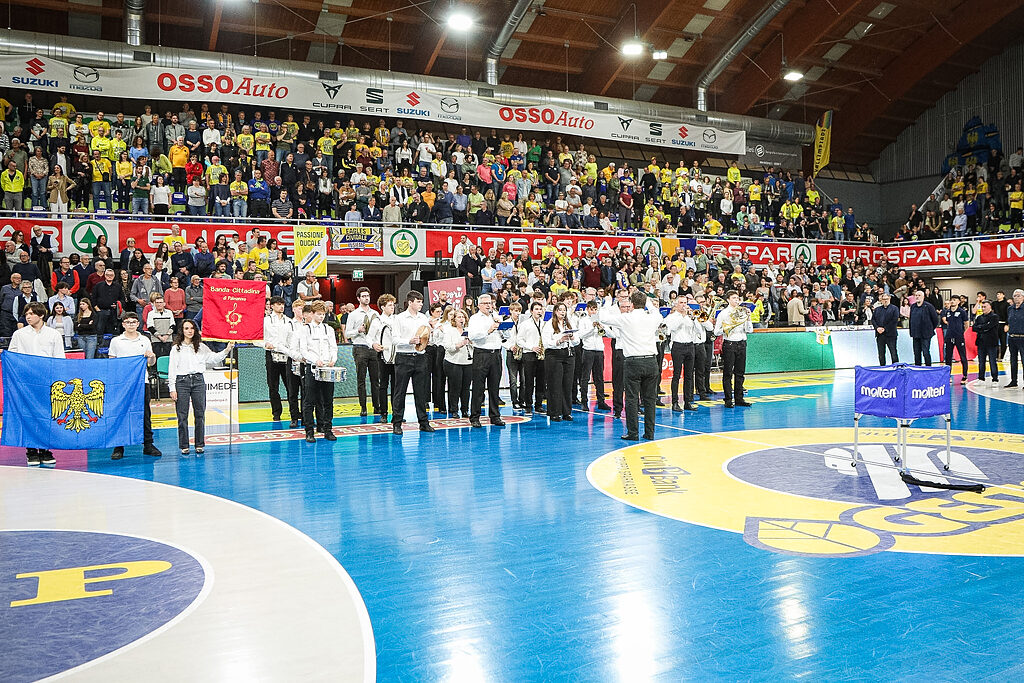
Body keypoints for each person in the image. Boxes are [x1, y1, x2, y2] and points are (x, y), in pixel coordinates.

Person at [599, 291, 663, 441]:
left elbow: (603, 318)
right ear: (644, 303)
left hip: (633, 362)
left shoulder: (625, 318)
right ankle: (649, 433)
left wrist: (607, 302)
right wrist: (648, 303)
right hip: (651, 361)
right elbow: (657, 313)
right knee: (650, 399)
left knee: (632, 398)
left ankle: (633, 433)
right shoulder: (652, 317)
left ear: (631, 304)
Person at [8, 302, 64, 466]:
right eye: (26, 314)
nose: (28, 317)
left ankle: (45, 449)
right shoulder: (19, 334)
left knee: (46, 415)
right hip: (26, 381)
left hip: (47, 380)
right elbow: (13, 356)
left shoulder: (53, 334)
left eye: (31, 314)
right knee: (28, 415)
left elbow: (59, 358)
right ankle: (31, 450)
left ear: (41, 315)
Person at [168, 319, 233, 454]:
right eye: (186, 328)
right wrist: (172, 388)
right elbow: (172, 369)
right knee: (182, 415)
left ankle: (199, 444)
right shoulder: (176, 348)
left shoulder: (201, 347)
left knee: (200, 414)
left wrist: (227, 350)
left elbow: (214, 358)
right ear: (182, 331)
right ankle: (184, 445)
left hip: (198, 381)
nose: (189, 331)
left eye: (192, 328)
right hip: (182, 382)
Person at [107, 312, 163, 460]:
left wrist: (151, 356)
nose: (131, 324)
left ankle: (148, 444)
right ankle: (118, 446)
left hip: (141, 382)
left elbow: (151, 363)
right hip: (122, 384)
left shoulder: (144, 340)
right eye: (128, 322)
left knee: (145, 413)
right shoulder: (116, 341)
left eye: (133, 322)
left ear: (138, 324)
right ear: (123, 324)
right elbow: (112, 363)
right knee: (121, 414)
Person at [389, 291, 434, 435]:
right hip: (404, 357)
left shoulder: (423, 318)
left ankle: (423, 422)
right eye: (418, 301)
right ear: (410, 302)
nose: (421, 304)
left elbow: (426, 336)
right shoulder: (399, 318)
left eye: (421, 301)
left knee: (421, 392)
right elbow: (394, 339)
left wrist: (430, 335)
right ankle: (397, 423)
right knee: (400, 391)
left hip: (420, 357)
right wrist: (408, 341)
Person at [296, 301, 338, 443]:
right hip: (312, 368)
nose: (321, 317)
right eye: (319, 314)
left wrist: (333, 359)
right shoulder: (305, 329)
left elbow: (333, 347)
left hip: (327, 368)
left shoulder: (328, 329)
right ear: (312, 314)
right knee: (309, 401)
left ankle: (328, 429)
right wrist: (315, 360)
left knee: (328, 400)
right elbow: (303, 350)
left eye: (323, 314)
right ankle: (309, 431)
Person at [467, 292, 507, 427]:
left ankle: (495, 416)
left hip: (496, 354)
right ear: (479, 305)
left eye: (490, 303)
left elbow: (505, 336)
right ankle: (475, 417)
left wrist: (504, 327)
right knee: (478, 387)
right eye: (485, 303)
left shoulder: (495, 316)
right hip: (482, 354)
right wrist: (488, 330)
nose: (489, 306)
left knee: (494, 387)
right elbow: (472, 336)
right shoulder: (475, 318)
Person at [264, 296, 300, 427]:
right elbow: (258, 337)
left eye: (282, 304)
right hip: (272, 354)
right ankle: (276, 412)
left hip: (287, 355)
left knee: (291, 386)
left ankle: (294, 413)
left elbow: (292, 339)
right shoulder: (266, 320)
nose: (281, 306)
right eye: (278, 304)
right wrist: (265, 344)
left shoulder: (289, 321)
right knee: (273, 386)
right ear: (272, 306)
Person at [345, 287, 381, 418]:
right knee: (361, 379)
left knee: (375, 380)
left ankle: (377, 406)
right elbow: (347, 333)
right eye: (364, 296)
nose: (366, 298)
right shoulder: (353, 314)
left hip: (373, 348)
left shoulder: (375, 314)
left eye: (368, 296)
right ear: (358, 298)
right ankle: (363, 407)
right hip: (360, 347)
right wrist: (358, 330)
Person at [714, 291, 754, 408]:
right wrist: (728, 327)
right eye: (734, 298)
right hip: (730, 344)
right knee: (727, 373)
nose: (736, 300)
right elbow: (716, 332)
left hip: (742, 343)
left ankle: (739, 398)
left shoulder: (742, 312)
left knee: (740, 373)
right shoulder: (723, 313)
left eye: (737, 298)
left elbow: (749, 330)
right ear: (728, 300)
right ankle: (728, 399)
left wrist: (748, 317)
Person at [540, 301, 576, 422]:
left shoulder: (569, 324)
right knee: (555, 384)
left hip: (568, 354)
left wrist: (572, 337)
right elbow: (546, 343)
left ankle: (567, 412)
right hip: (554, 355)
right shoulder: (549, 324)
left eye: (564, 310)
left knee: (567, 384)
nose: (562, 312)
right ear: (555, 311)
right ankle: (554, 412)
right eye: (560, 310)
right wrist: (560, 340)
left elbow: (577, 341)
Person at [664, 298, 701, 412]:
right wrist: (683, 316)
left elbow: (698, 331)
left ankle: (688, 401)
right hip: (678, 346)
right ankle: (675, 402)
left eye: (685, 303)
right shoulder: (671, 317)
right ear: (676, 304)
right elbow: (671, 329)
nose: (684, 305)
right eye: (681, 303)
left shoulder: (690, 317)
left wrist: (694, 319)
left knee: (689, 375)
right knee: (676, 375)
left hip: (690, 345)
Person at [578, 300, 611, 411]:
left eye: (595, 309)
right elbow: (581, 335)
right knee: (585, 377)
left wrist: (602, 327)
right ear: (587, 309)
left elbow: (609, 334)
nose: (593, 311)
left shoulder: (600, 320)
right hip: (588, 350)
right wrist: (592, 328)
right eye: (591, 309)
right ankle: (584, 401)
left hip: (599, 351)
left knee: (599, 377)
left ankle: (601, 401)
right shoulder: (583, 320)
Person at [368, 294, 396, 423]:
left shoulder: (397, 320)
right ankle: (383, 413)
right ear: (383, 307)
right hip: (382, 355)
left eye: (393, 305)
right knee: (383, 384)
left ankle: (397, 412)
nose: (392, 307)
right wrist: (373, 344)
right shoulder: (377, 321)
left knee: (396, 385)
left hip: (396, 355)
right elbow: (369, 337)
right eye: (389, 305)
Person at [442, 308, 473, 418]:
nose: (461, 319)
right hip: (453, 361)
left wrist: (471, 342)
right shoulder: (449, 330)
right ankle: (453, 409)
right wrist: (459, 345)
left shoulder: (469, 330)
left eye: (463, 317)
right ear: (454, 319)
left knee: (466, 388)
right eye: (459, 317)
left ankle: (465, 410)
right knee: (455, 387)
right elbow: (447, 346)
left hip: (467, 362)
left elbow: (475, 345)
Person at [518, 301, 545, 415]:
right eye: (536, 309)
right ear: (531, 311)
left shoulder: (544, 323)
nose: (539, 311)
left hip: (541, 354)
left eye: (540, 309)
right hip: (529, 354)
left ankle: (539, 405)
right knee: (528, 381)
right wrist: (531, 347)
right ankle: (528, 405)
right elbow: (519, 340)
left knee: (541, 381)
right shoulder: (525, 324)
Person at [941, 297, 969, 383]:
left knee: (962, 356)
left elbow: (966, 323)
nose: (952, 301)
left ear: (958, 302)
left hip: (959, 337)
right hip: (949, 336)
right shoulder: (948, 312)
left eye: (954, 300)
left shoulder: (962, 312)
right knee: (948, 357)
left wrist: (961, 332)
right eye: (951, 300)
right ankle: (948, 376)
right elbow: (947, 322)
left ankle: (965, 376)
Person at [973, 300, 1001, 385]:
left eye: (985, 307)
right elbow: (974, 328)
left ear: (990, 307)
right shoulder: (979, 317)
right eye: (982, 307)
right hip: (981, 342)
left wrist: (980, 327)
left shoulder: (994, 317)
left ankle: (995, 379)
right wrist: (983, 327)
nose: (983, 308)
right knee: (981, 362)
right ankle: (981, 378)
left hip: (991, 342)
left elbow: (989, 326)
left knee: (992, 362)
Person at [909, 289, 939, 366]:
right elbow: (911, 319)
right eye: (916, 295)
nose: (917, 297)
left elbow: (935, 319)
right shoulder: (913, 307)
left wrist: (930, 328)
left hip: (926, 334)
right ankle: (918, 368)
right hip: (916, 334)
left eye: (919, 295)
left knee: (926, 352)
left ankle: (928, 368)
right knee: (916, 353)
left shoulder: (929, 306)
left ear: (923, 297)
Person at [873, 293, 900, 365]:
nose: (885, 301)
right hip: (880, 334)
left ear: (889, 299)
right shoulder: (877, 309)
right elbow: (873, 320)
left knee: (893, 352)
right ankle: (882, 367)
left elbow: (894, 320)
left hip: (891, 334)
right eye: (884, 299)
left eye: (887, 299)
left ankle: (896, 367)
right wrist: (877, 328)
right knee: (881, 354)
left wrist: (884, 329)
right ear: (881, 300)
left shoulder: (894, 308)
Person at [1006, 289, 1024, 389]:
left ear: (1023, 297)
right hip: (1012, 337)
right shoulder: (1010, 309)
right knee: (1013, 360)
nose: (1016, 298)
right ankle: (1013, 381)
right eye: (1015, 296)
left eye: (1018, 296)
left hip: (1022, 337)